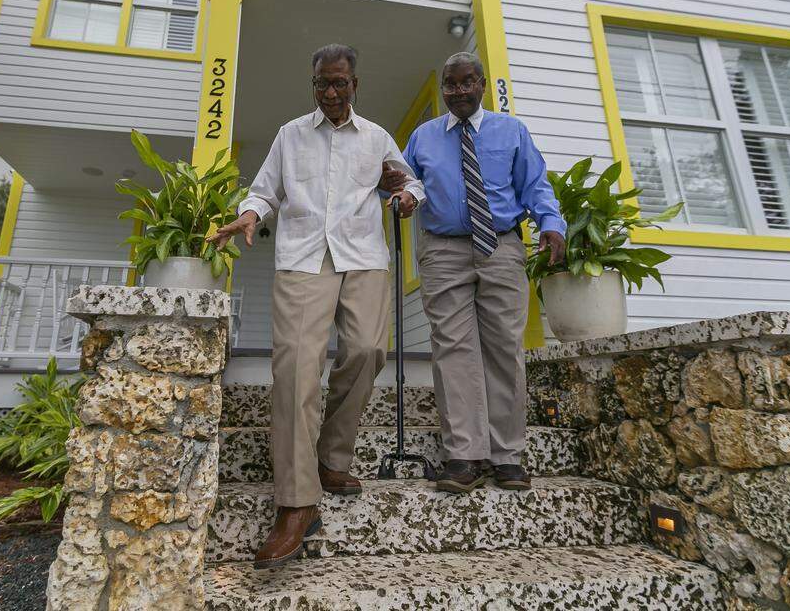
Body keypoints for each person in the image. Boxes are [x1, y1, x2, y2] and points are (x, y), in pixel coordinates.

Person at [208, 43, 423, 569]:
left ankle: (331, 458)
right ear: (313, 84)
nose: (330, 92)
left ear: (355, 86)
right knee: (297, 370)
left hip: (364, 256)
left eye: (340, 84)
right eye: (322, 84)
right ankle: (297, 503)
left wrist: (407, 194)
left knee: (369, 350)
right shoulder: (289, 134)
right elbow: (265, 191)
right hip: (304, 258)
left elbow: (407, 179)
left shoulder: (375, 137)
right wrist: (251, 215)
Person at [395, 51, 566, 494]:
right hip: (443, 249)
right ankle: (464, 453)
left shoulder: (512, 131)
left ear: (482, 84)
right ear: (443, 90)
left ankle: (507, 454)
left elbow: (536, 185)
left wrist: (550, 224)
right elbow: (404, 182)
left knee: (504, 347)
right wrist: (403, 198)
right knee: (453, 348)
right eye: (450, 85)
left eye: (467, 82)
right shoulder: (424, 136)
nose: (459, 91)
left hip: (502, 247)